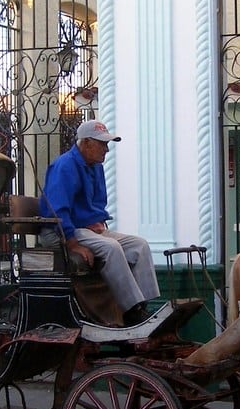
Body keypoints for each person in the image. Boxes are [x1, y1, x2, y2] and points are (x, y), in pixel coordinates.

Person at [39, 120, 161, 325]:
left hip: (85, 228)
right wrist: (73, 244)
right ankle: (131, 312)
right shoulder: (65, 166)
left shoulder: (95, 166)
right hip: (62, 231)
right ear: (86, 143)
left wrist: (96, 221)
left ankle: (144, 305)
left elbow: (98, 203)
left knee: (139, 245)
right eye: (102, 144)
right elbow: (57, 211)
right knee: (111, 247)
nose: (106, 149)